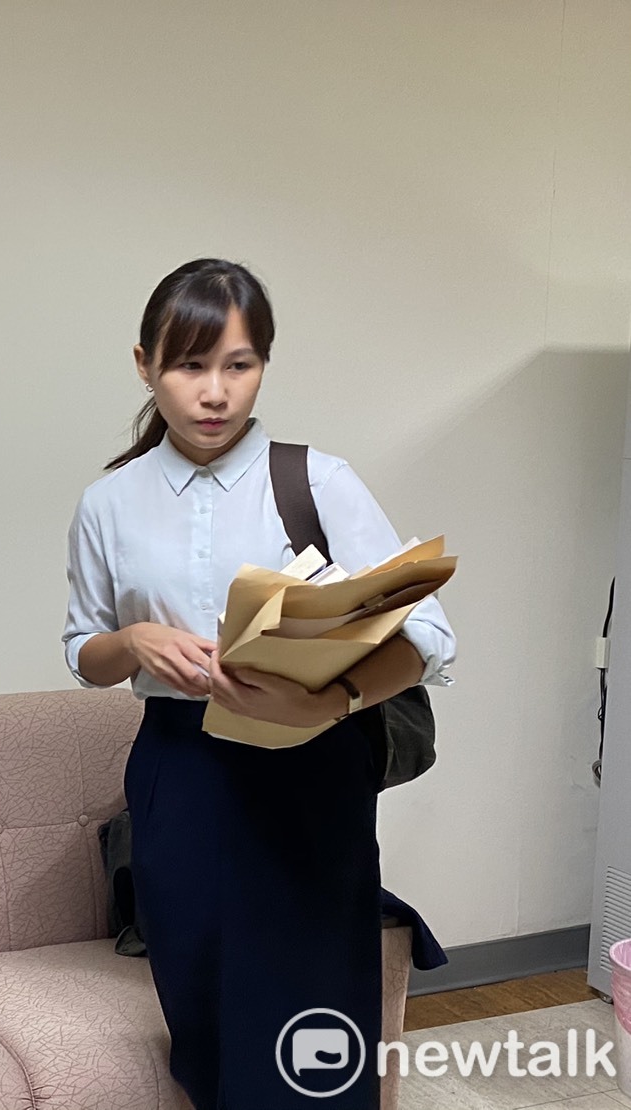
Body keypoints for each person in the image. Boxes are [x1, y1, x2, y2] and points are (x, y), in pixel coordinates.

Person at [62, 258, 455, 1107]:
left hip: (311, 770)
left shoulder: (319, 480)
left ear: (263, 367)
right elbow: (81, 652)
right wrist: (131, 640)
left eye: (238, 366)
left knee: (314, 1016)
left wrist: (334, 697)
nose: (215, 393)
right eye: (189, 366)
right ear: (144, 365)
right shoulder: (110, 503)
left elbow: (428, 633)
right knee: (202, 1012)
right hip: (180, 771)